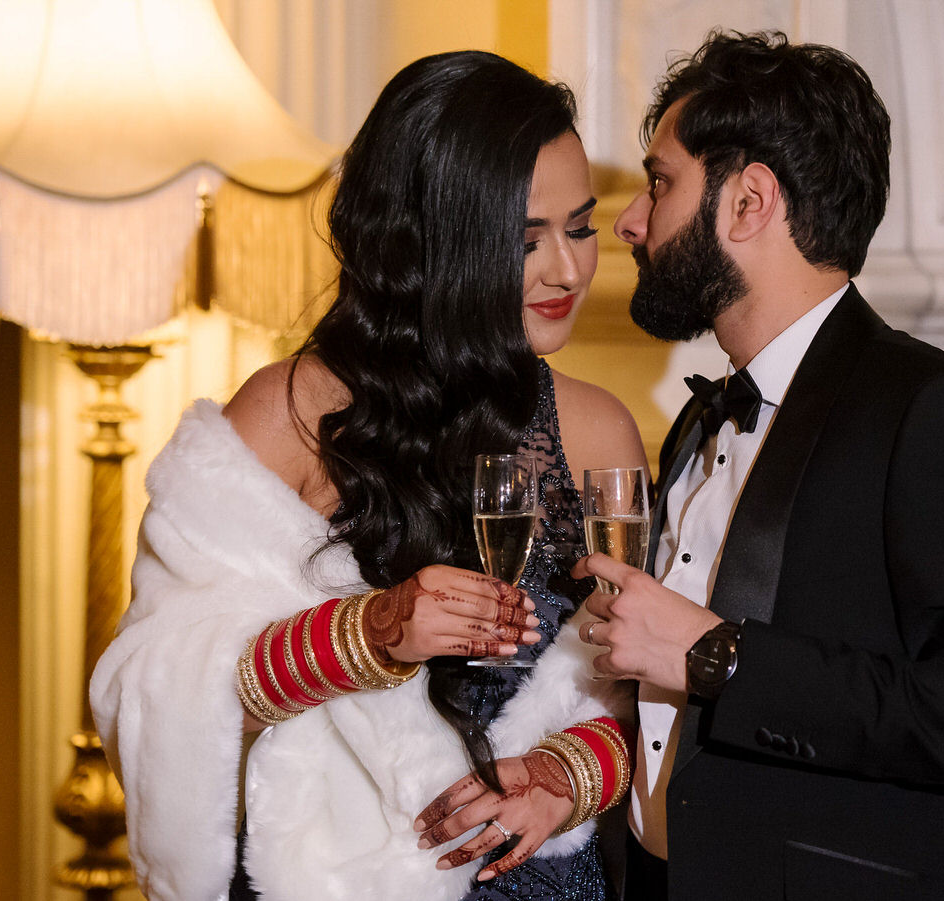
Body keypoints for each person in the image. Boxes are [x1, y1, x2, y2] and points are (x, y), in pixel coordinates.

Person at [90, 51, 649, 901]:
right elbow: (148, 696)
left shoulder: (596, 426)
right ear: (429, 237)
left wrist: (567, 773)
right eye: (522, 238)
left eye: (579, 228)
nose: (568, 270)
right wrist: (371, 633)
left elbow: (638, 688)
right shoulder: (287, 417)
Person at [575, 30, 944, 900]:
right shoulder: (699, 420)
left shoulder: (933, 410)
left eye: (660, 183)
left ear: (749, 201)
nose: (629, 218)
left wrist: (718, 656)